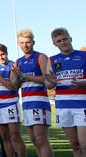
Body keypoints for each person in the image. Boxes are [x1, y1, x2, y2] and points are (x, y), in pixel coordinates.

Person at [11, 29, 54, 157]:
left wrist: (25, 76)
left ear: (33, 42)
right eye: (22, 42)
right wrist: (15, 75)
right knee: (35, 141)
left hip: (40, 102)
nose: (25, 45)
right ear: (19, 44)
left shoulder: (40, 57)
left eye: (28, 42)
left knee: (41, 139)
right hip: (26, 103)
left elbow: (47, 80)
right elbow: (15, 85)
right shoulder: (18, 61)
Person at [45, 27, 86, 156]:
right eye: (59, 41)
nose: (63, 42)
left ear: (70, 39)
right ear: (54, 44)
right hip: (63, 106)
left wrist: (81, 83)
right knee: (74, 144)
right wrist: (51, 82)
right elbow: (48, 85)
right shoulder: (52, 60)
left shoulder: (84, 56)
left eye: (65, 39)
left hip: (82, 105)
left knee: (84, 143)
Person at [0, 43, 26, 157]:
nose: (0, 58)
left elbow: (11, 87)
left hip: (10, 104)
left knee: (15, 136)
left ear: (6, 53)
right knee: (4, 137)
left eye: (2, 54)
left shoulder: (12, 66)